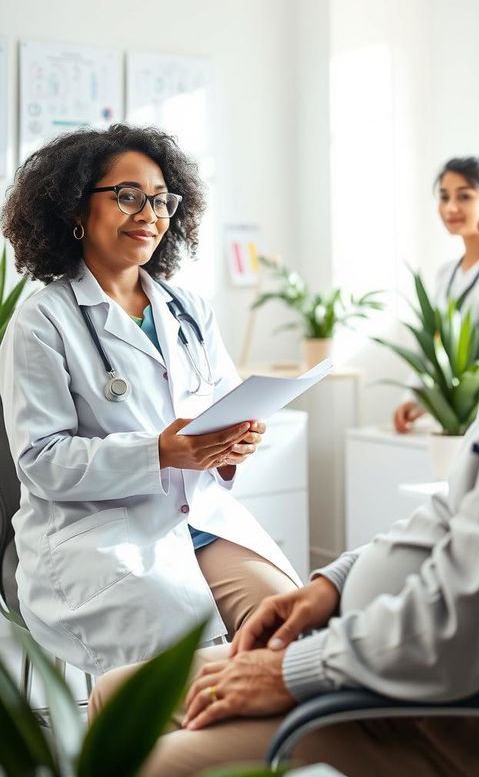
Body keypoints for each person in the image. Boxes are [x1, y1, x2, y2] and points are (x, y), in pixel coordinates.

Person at [91, 94, 479, 777]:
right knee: (118, 697)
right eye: (126, 197)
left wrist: (295, 670)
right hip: (400, 664)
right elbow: (453, 514)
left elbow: (468, 621)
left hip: (459, 715)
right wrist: (333, 586)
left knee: (157, 755)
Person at [0, 124, 300, 676]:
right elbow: (41, 461)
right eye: (128, 196)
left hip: (202, 519)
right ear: (74, 209)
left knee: (292, 630)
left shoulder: (188, 309)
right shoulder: (42, 319)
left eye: (161, 200)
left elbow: (227, 403)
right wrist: (159, 452)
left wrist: (236, 442)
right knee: (183, 664)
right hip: (102, 535)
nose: (149, 214)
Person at [394, 154, 479, 434]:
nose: (450, 207)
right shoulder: (446, 273)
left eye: (464, 197)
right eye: (444, 197)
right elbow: (435, 345)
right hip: (453, 423)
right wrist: (414, 397)